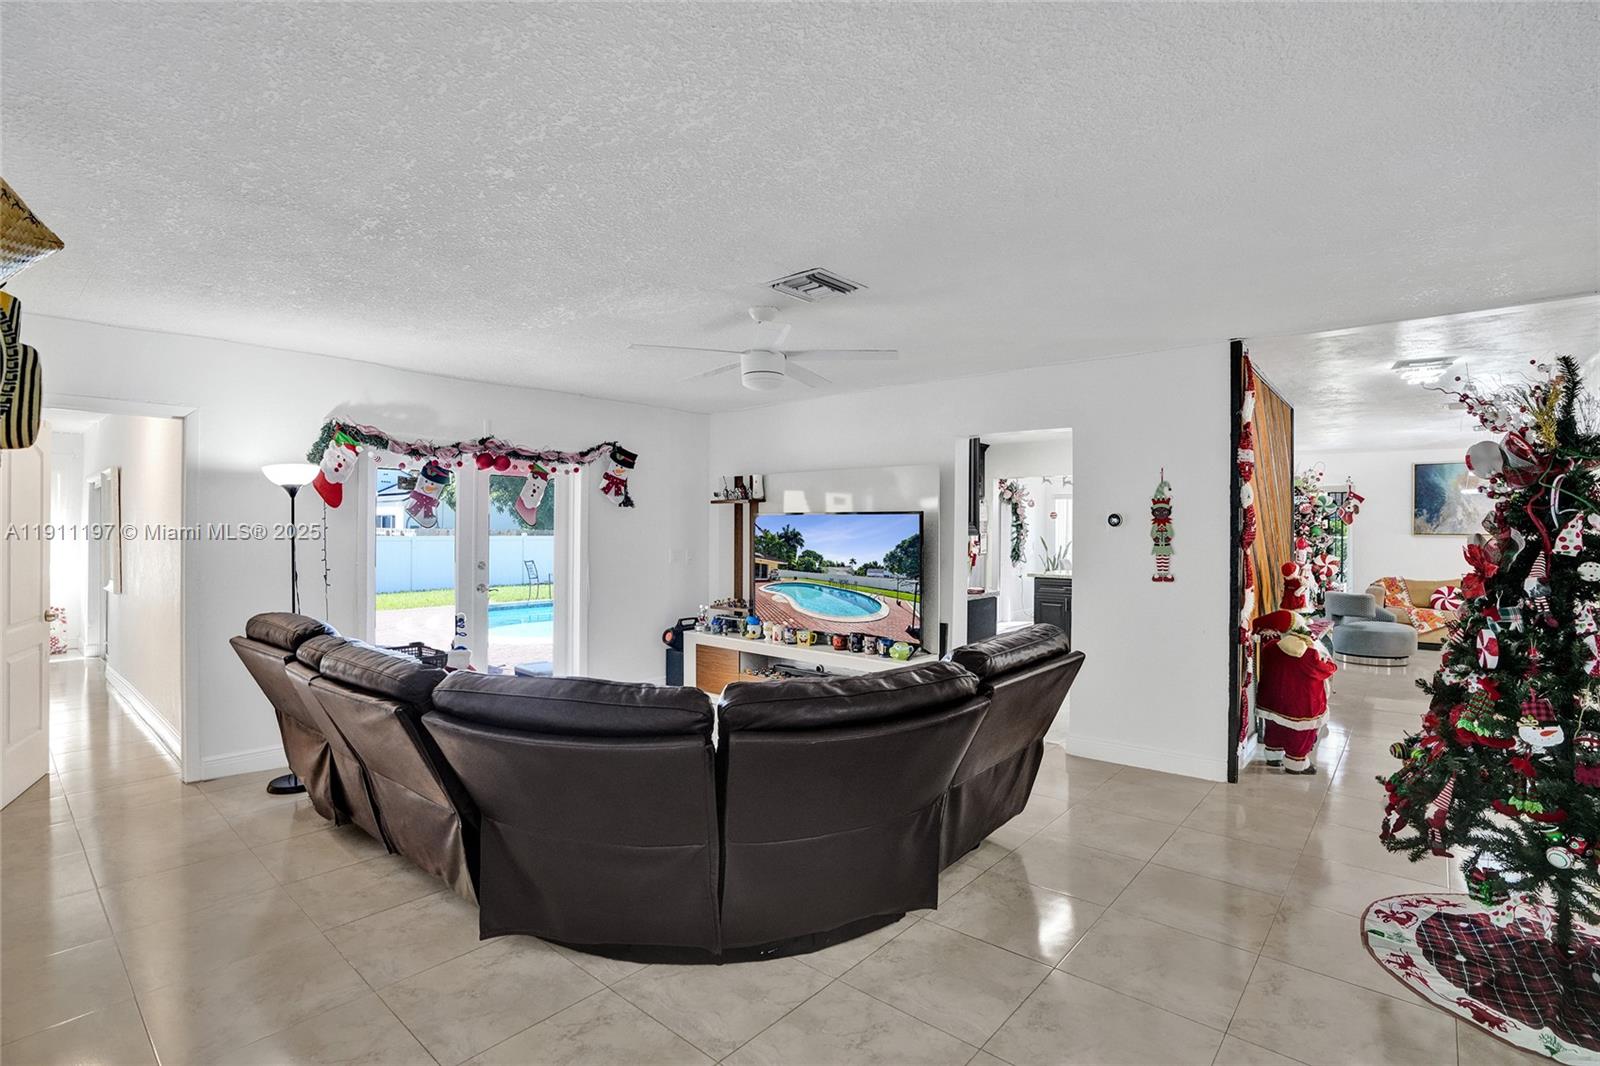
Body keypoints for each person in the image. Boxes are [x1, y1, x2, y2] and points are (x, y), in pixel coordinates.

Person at [1252, 607, 1337, 773]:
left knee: (1274, 727)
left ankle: (1273, 755)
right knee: (1300, 735)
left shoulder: (1270, 648)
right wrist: (1330, 664)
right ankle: (1295, 763)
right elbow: (1326, 669)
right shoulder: (1308, 655)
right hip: (1302, 705)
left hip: (1272, 700)